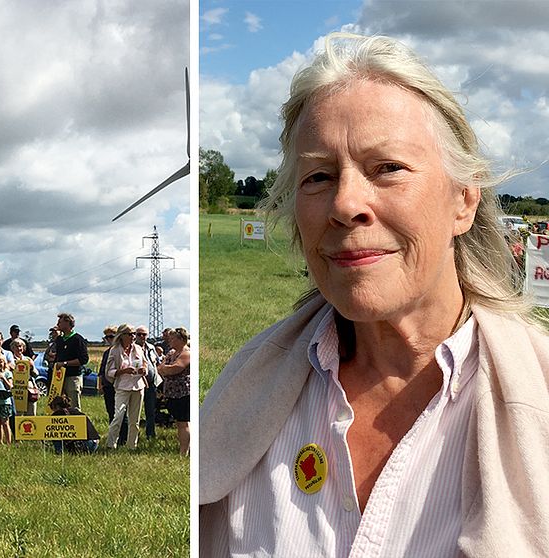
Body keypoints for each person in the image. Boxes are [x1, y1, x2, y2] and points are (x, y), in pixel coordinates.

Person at [200, 34, 549, 556]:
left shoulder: (537, 398)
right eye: (318, 176)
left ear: (464, 201)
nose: (346, 203)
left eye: (388, 168)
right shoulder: (243, 397)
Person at [104, 323, 146, 450]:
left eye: (134, 334)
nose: (133, 336)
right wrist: (123, 371)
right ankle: (111, 444)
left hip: (138, 386)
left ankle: (132, 445)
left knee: (135, 420)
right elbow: (109, 372)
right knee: (118, 416)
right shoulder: (115, 350)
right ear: (122, 336)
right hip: (122, 387)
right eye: (130, 334)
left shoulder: (138, 348)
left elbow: (145, 364)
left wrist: (144, 370)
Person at [157, 327, 190, 456]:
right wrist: (166, 369)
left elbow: (175, 369)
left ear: (181, 339)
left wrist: (166, 369)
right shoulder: (171, 353)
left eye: (172, 338)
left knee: (183, 423)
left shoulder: (186, 353)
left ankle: (183, 452)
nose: (169, 341)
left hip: (183, 393)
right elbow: (160, 368)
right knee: (179, 422)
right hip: (172, 393)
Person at [97, 325, 127, 446]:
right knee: (111, 413)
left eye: (111, 336)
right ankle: (113, 437)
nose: (109, 339)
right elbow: (101, 370)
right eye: (107, 337)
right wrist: (100, 385)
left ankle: (123, 439)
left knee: (121, 413)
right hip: (108, 386)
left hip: (120, 386)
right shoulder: (106, 353)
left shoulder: (122, 351)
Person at [52, 313, 88, 409]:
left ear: (68, 323)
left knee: (73, 405)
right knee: (59, 404)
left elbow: (83, 359)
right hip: (59, 378)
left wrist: (65, 363)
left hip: (72, 377)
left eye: (60, 322)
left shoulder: (77, 339)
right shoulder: (59, 340)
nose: (57, 324)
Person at [134, 325, 159, 438]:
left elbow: (156, 362)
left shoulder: (151, 347)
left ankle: (150, 434)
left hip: (151, 384)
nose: (141, 336)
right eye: (139, 334)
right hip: (137, 383)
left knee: (151, 410)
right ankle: (134, 435)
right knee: (135, 411)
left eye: (144, 334)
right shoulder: (132, 348)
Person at [9, 338, 38, 416]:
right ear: (12, 348)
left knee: (31, 411)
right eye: (16, 346)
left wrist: (32, 367)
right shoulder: (10, 360)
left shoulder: (27, 359)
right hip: (17, 388)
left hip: (29, 387)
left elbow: (36, 374)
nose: (19, 348)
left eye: (20, 346)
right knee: (18, 412)